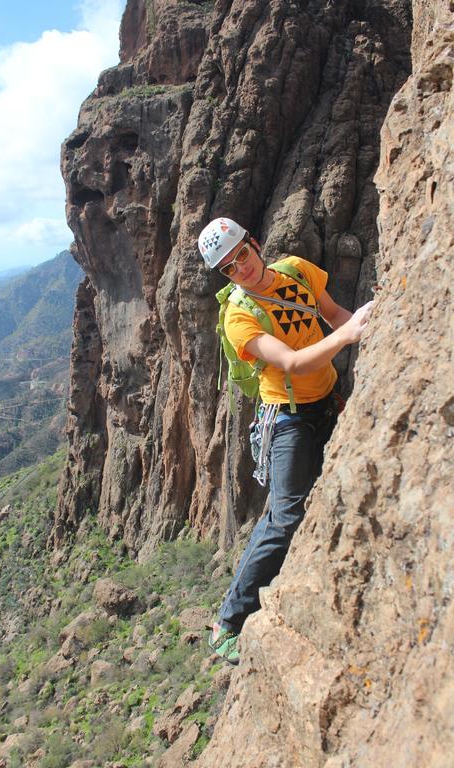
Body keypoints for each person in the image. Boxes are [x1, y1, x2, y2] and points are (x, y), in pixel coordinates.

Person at [198, 217, 374, 664]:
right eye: (229, 268)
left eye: (242, 255)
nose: (241, 268)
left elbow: (333, 314)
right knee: (285, 514)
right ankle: (228, 622)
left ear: (255, 244)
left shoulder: (296, 271)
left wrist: (363, 327)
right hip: (287, 419)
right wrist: (350, 335)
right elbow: (293, 363)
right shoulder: (239, 315)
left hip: (326, 400)